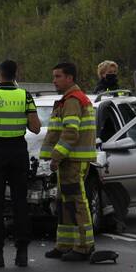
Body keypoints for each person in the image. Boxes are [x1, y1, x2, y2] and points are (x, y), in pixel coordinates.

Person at [0, 60, 42, 268]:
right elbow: (36, 128)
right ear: (16, 74)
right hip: (18, 152)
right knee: (20, 203)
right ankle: (21, 253)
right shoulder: (25, 96)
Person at [39, 62, 97, 261]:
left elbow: (70, 133)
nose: (54, 80)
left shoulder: (73, 100)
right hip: (69, 161)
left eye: (58, 76)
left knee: (76, 202)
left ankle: (84, 246)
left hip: (72, 161)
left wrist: (56, 157)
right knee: (65, 202)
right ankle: (64, 244)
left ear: (70, 78)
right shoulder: (68, 100)